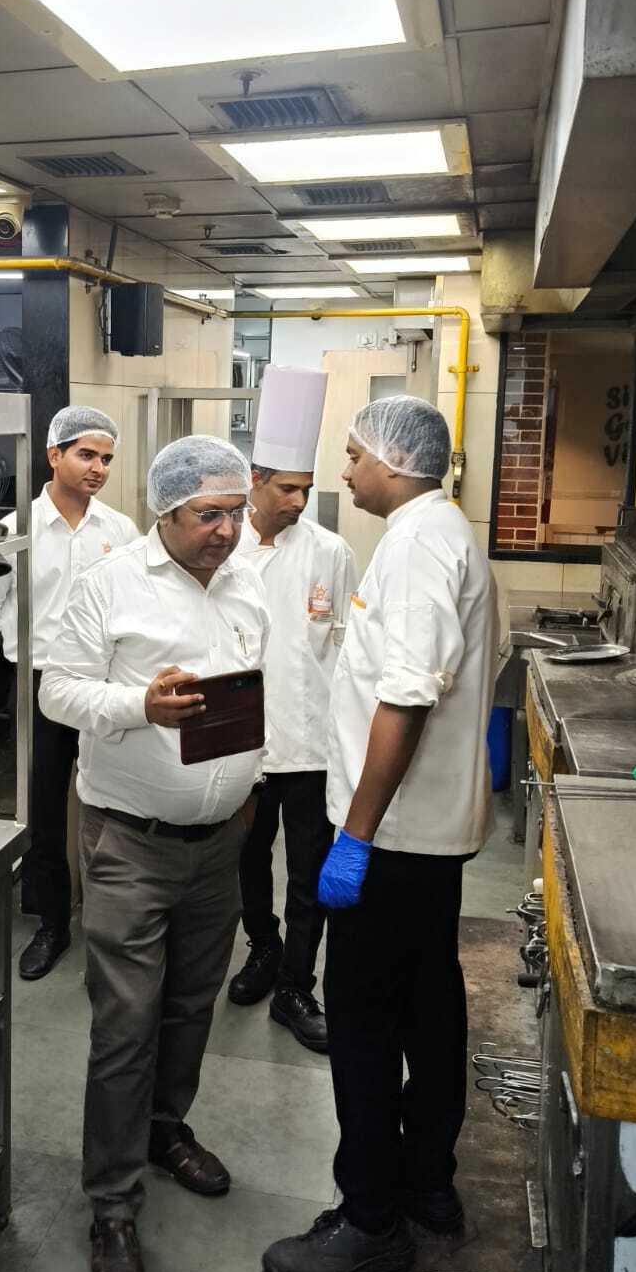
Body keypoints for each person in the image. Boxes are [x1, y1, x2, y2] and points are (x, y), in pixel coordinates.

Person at [262, 396, 499, 1272]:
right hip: (426, 836)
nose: (346, 470)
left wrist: (353, 837)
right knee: (430, 1008)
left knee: (363, 1023)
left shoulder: (416, 545)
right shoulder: (439, 534)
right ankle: (427, 1184)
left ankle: (369, 1220)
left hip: (394, 838)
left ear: (394, 461)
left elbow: (406, 695)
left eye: (355, 454)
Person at [40, 434, 270, 1272]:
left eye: (236, 513)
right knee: (126, 1023)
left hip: (220, 845)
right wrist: (142, 705)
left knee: (190, 1004)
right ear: (166, 511)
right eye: (210, 515)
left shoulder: (245, 583)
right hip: (129, 842)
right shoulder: (111, 584)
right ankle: (111, 1204)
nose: (227, 531)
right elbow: (58, 692)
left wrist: (247, 791)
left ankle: (166, 1131)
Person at [0, 406, 138, 981]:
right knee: (43, 807)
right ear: (54, 455)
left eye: (106, 458)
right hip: (39, 684)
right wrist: (28, 651)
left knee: (112, 800)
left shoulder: (120, 532)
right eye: (86, 455)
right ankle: (52, 923)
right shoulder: (13, 530)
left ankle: (113, 920)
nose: (98, 468)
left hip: (103, 684)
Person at [228, 366, 357, 1052]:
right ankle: (263, 949)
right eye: (287, 488)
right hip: (242, 743)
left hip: (310, 742)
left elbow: (344, 649)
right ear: (255, 480)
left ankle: (297, 986)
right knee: (249, 861)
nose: (300, 501)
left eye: (306, 489)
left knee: (308, 871)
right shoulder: (225, 550)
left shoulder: (331, 552)